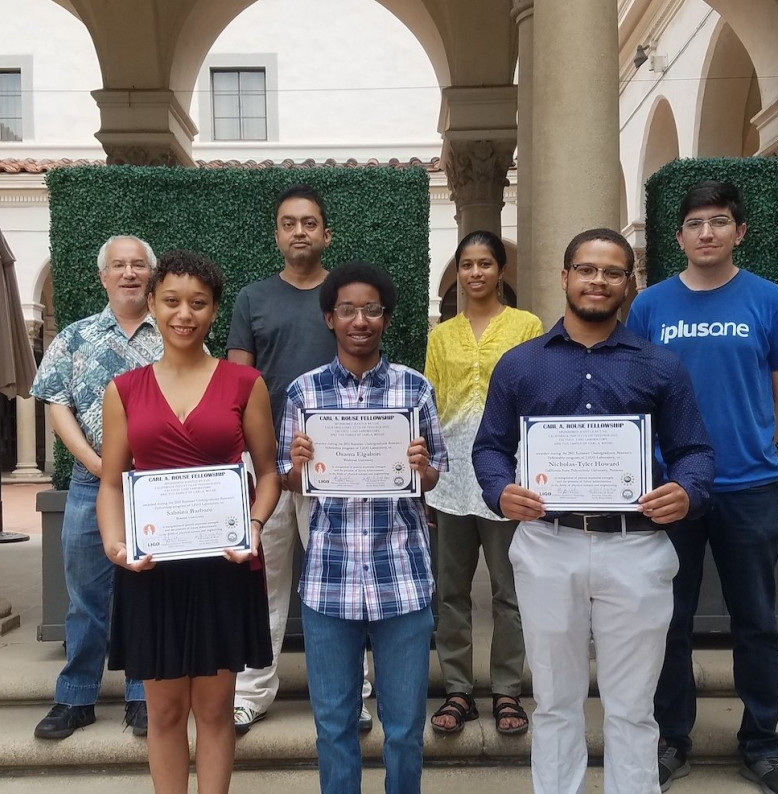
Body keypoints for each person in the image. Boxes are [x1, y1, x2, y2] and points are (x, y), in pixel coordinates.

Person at [473, 228, 715, 794]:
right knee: (555, 701)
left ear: (628, 284)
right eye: (586, 269)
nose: (598, 281)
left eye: (611, 272)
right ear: (564, 277)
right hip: (548, 545)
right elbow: (489, 447)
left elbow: (694, 451)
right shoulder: (520, 365)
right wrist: (500, 490)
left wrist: (686, 491)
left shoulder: (661, 366)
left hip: (636, 547)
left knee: (632, 707)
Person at [626, 180, 778, 794]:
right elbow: (639, 397)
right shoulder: (649, 306)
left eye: (719, 221)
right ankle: (673, 737)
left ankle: (762, 744)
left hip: (749, 488)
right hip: (670, 490)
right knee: (668, 619)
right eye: (696, 222)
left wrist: (750, 443)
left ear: (739, 231)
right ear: (678, 236)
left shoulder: (771, 301)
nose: (707, 232)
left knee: (755, 618)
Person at [97, 249, 279, 794]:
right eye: (171, 300)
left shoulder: (244, 383)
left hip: (225, 562)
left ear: (214, 311)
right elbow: (110, 481)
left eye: (198, 303)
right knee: (166, 712)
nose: (184, 313)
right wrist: (113, 541)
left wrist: (254, 523)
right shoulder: (124, 390)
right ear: (151, 303)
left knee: (216, 711)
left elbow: (268, 473)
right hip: (152, 566)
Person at [279, 262, 448, 794]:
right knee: (333, 728)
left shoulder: (413, 390)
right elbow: (291, 482)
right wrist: (297, 468)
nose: (360, 320)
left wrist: (422, 471)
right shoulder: (304, 393)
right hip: (330, 581)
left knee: (403, 729)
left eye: (371, 310)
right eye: (347, 310)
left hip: (403, 577)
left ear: (386, 318)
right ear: (329, 318)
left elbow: (435, 476)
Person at [226, 184, 373, 733]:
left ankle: (352, 694)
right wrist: (249, 458)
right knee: (262, 582)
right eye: (289, 223)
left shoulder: (344, 301)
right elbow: (237, 384)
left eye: (309, 223)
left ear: (325, 233)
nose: (299, 232)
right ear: (277, 234)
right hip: (266, 466)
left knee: (339, 579)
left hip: (337, 469)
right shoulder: (253, 299)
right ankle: (251, 692)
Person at [30, 235, 162, 740]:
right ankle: (75, 697)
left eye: (137, 265)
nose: (129, 273)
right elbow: (56, 402)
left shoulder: (172, 335)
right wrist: (96, 462)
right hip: (90, 483)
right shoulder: (74, 337)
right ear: (102, 276)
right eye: (118, 266)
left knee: (147, 591)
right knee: (85, 595)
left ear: (149, 275)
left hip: (155, 485)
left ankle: (142, 695)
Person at [424, 230, 543, 736]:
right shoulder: (440, 336)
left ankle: (507, 691)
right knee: (450, 589)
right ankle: (457, 691)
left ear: (500, 271)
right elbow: (429, 405)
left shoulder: (526, 325)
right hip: (450, 476)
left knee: (508, 589)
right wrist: (425, 475)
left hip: (506, 474)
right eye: (467, 265)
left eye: (485, 264)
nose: (475, 273)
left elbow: (536, 394)